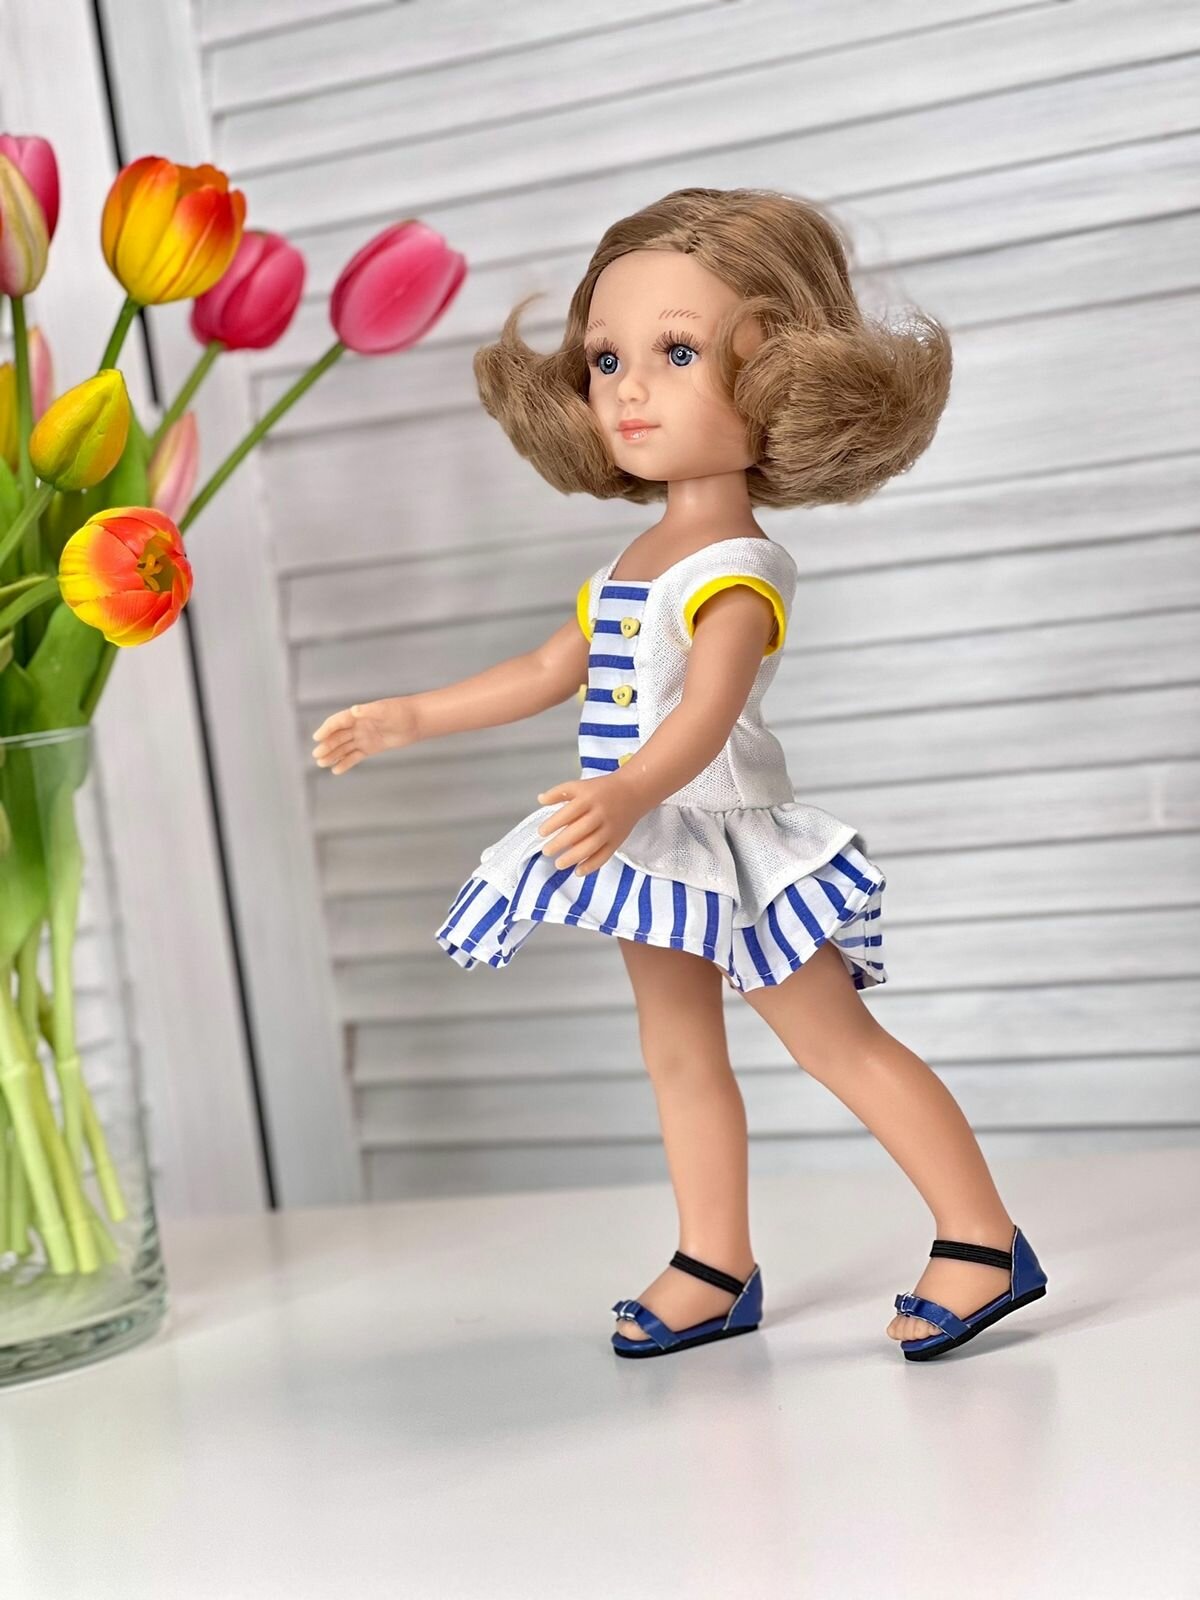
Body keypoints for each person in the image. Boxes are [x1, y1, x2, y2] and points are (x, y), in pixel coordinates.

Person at [312, 187, 1047, 1361]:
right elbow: (549, 667)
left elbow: (707, 714)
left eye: (678, 351)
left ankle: (983, 1236)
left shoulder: (737, 565)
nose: (628, 389)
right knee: (677, 1050)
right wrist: (411, 716)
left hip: (725, 838)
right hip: (648, 843)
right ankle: (715, 1258)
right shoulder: (636, 556)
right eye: (606, 357)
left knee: (834, 1039)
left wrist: (626, 791)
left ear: (781, 370)